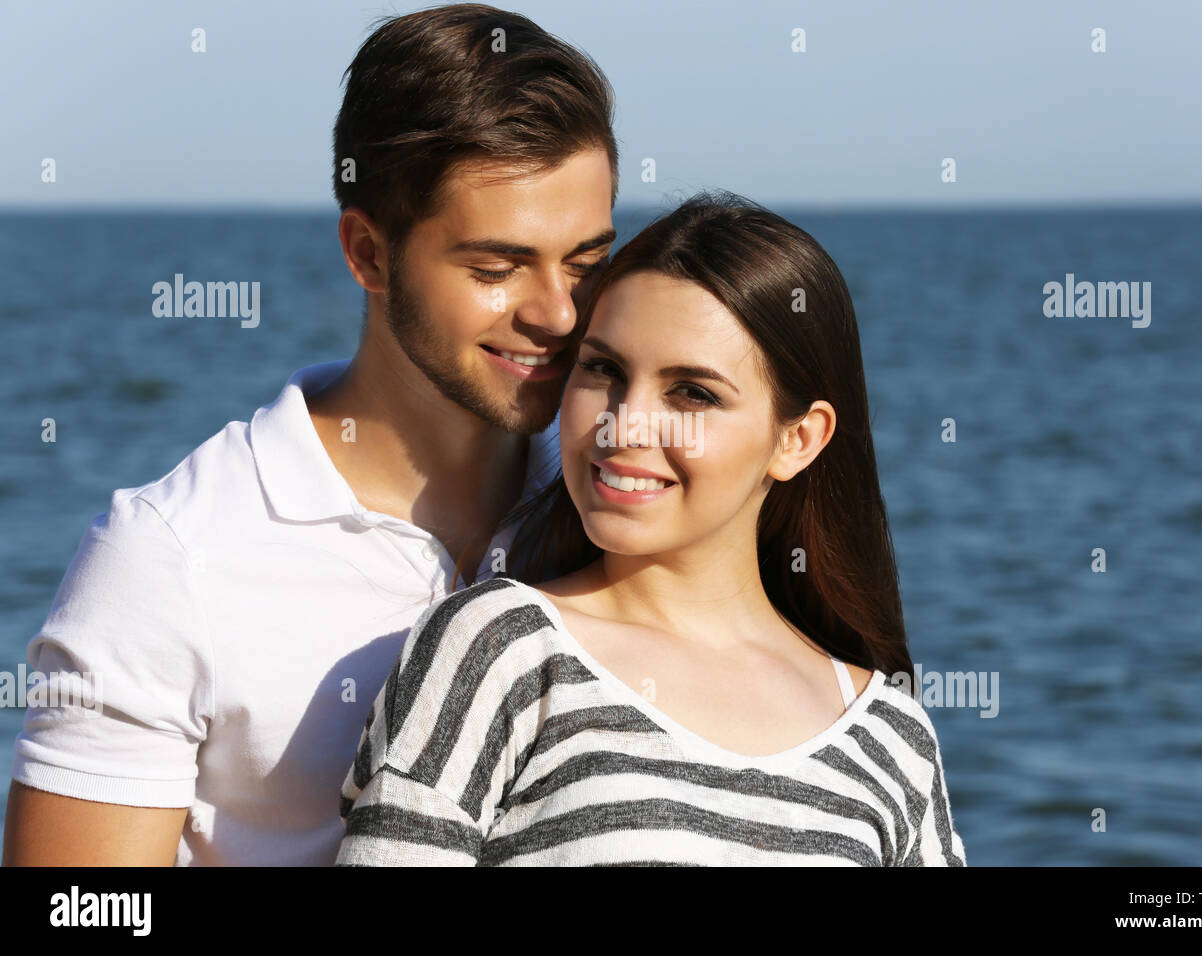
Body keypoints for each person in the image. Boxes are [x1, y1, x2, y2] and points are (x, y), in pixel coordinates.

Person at [3, 4, 618, 866]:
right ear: (368, 254)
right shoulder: (170, 560)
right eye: (494, 268)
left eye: (587, 262)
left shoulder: (625, 504)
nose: (557, 313)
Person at [336, 191, 967, 866]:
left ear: (799, 440)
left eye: (692, 393)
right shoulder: (502, 653)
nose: (623, 424)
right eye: (603, 369)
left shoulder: (891, 739)